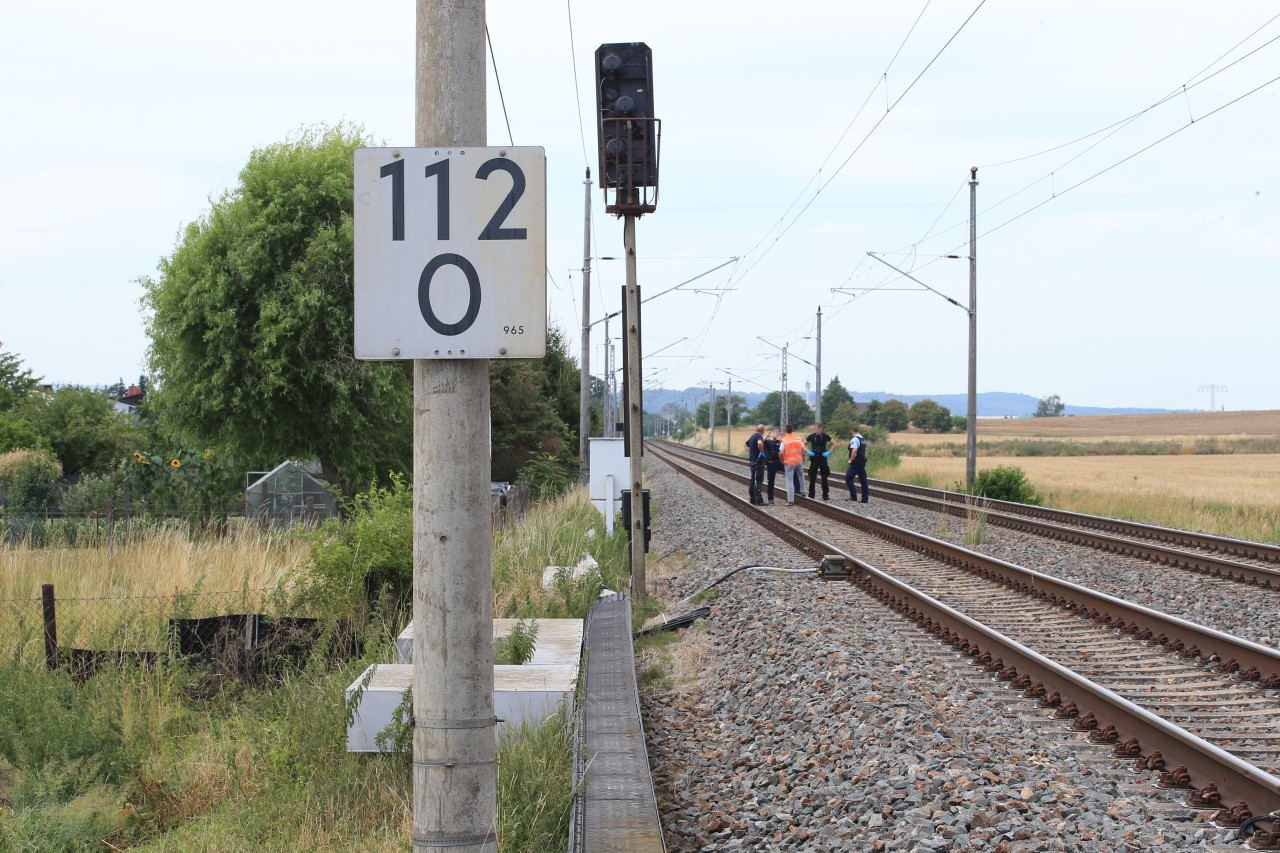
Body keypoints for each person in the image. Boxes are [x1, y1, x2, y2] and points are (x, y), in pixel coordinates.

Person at [805, 422, 833, 501]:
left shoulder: (825, 436)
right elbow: (803, 444)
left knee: (824, 477)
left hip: (822, 458)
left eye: (817, 428)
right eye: (815, 428)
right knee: (812, 477)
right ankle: (811, 495)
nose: (816, 430)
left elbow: (834, 443)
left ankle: (825, 495)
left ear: (821, 428)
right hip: (814, 458)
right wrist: (808, 451)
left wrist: (829, 452)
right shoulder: (811, 436)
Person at [780, 424, 806, 506]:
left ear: (785, 430)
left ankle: (791, 500)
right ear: (793, 430)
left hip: (789, 463)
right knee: (801, 475)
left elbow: (781, 452)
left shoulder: (784, 440)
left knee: (789, 480)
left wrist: (782, 460)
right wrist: (800, 455)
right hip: (798, 461)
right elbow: (804, 449)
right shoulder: (798, 439)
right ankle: (803, 492)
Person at [745, 423, 767, 505]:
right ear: (762, 430)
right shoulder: (759, 436)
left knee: (753, 479)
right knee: (758, 480)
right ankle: (759, 500)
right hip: (758, 462)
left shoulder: (752, 436)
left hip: (752, 461)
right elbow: (760, 443)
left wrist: (752, 452)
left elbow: (745, 445)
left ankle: (752, 498)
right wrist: (761, 452)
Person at [846, 427, 869, 503]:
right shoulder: (863, 439)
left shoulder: (854, 439)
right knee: (863, 480)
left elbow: (854, 450)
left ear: (852, 431)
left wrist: (851, 460)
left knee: (848, 478)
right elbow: (864, 451)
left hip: (856, 462)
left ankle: (853, 497)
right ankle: (864, 499)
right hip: (862, 462)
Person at [762, 429, 783, 504]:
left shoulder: (779, 442)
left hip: (779, 462)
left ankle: (796, 490)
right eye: (775, 433)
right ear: (772, 433)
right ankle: (770, 499)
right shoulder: (767, 441)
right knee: (771, 481)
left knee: (791, 471)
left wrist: (781, 439)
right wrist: (767, 435)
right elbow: (761, 441)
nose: (776, 434)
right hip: (771, 463)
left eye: (778, 433)